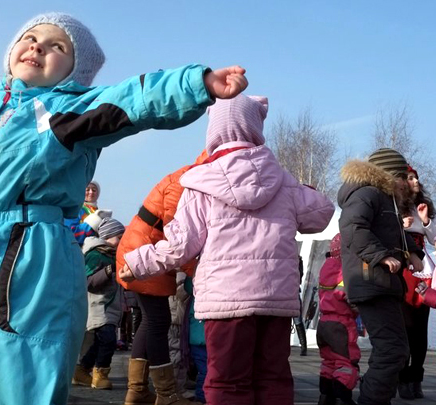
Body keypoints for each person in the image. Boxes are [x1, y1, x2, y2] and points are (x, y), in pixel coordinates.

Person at [0, 11, 248, 405]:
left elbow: (135, 98)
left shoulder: (65, 112)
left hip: (27, 253)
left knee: (17, 371)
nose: (37, 46)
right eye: (31, 37)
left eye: (57, 46)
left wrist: (197, 83)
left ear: (76, 72)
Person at [120, 94, 334, 405]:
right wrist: (301, 189)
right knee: (273, 376)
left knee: (226, 381)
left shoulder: (199, 182)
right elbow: (322, 214)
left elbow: (180, 245)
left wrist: (139, 262)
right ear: (255, 127)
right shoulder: (283, 181)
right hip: (275, 299)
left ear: (214, 130)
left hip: (226, 301)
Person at [115, 150, 208, 405]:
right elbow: (180, 237)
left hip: (140, 249)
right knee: (158, 321)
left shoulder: (185, 179)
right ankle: (166, 394)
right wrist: (196, 272)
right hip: (142, 252)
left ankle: (137, 391)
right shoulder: (183, 184)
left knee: (150, 321)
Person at [337, 148, 425, 405]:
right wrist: (380, 256)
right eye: (403, 176)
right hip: (372, 281)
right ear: (389, 175)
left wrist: (414, 252)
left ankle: (375, 398)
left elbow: (394, 233)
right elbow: (353, 227)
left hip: (382, 283)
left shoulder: (384, 199)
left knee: (393, 350)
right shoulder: (368, 193)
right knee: (393, 351)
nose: (407, 183)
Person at [72, 217, 125, 390]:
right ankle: (100, 374)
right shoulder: (95, 254)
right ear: (107, 236)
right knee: (108, 341)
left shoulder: (113, 255)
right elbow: (88, 282)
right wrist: (108, 271)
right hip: (98, 306)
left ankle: (81, 371)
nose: (121, 241)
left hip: (109, 306)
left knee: (99, 343)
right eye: (119, 237)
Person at [397, 165, 434, 400]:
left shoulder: (424, 206)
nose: (415, 181)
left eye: (416, 178)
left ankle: (416, 378)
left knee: (420, 328)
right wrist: (401, 226)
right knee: (404, 327)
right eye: (410, 178)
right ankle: (402, 378)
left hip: (422, 270)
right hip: (401, 268)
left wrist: (426, 221)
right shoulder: (391, 206)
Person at [317, 234, 360, 405]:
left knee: (329, 360)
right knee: (346, 361)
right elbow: (349, 295)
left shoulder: (326, 266)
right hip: (342, 323)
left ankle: (325, 396)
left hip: (324, 322)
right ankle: (343, 396)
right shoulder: (347, 269)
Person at [184, 276, 207, 405]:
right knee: (207, 370)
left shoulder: (194, 298)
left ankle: (201, 396)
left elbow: (187, 286)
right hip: (206, 337)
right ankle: (202, 396)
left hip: (196, 338)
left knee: (203, 370)